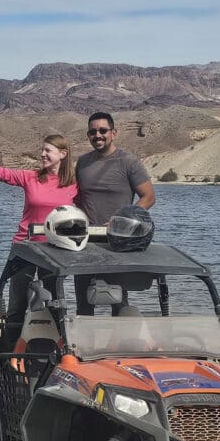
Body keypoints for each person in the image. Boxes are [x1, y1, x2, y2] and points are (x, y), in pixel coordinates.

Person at [0, 134, 78, 322]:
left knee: (54, 302)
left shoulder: (74, 184)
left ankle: (56, 346)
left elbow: (90, 208)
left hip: (55, 250)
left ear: (63, 154)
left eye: (48, 151)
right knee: (17, 304)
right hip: (25, 248)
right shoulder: (31, 177)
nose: (43, 154)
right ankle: (12, 347)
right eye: (41, 150)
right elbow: (0, 172)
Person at [74, 112, 156, 314]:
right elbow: (74, 198)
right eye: (93, 132)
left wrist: (124, 220)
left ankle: (119, 343)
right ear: (88, 135)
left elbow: (148, 197)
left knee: (118, 300)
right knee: (84, 303)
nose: (98, 135)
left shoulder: (128, 162)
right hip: (86, 241)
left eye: (103, 130)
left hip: (118, 242)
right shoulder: (82, 163)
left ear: (114, 133)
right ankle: (85, 344)